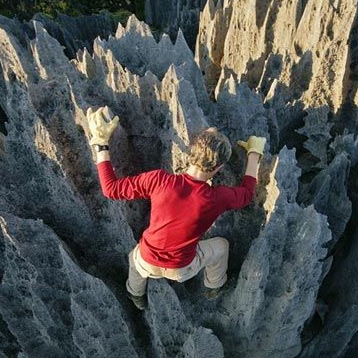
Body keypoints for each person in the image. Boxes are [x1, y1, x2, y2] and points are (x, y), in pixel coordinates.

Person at [86, 106, 265, 310]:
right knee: (221, 246)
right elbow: (247, 194)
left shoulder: (159, 180)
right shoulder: (217, 198)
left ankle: (136, 295)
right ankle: (213, 286)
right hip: (182, 268)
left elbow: (111, 189)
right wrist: (254, 154)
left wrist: (101, 143)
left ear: (191, 153)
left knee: (135, 263)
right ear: (218, 168)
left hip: (147, 260)